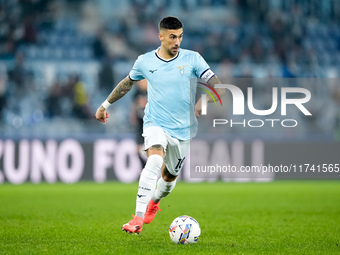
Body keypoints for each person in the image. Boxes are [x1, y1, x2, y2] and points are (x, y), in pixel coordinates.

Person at [95, 16, 225, 234]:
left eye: (180, 37)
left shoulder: (193, 59)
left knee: (168, 179)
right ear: (161, 36)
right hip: (156, 122)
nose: (177, 42)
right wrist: (104, 105)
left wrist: (204, 100)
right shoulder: (145, 61)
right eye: (172, 37)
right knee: (154, 159)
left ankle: (154, 201)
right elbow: (127, 83)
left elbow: (219, 87)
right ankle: (137, 218)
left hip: (183, 130)